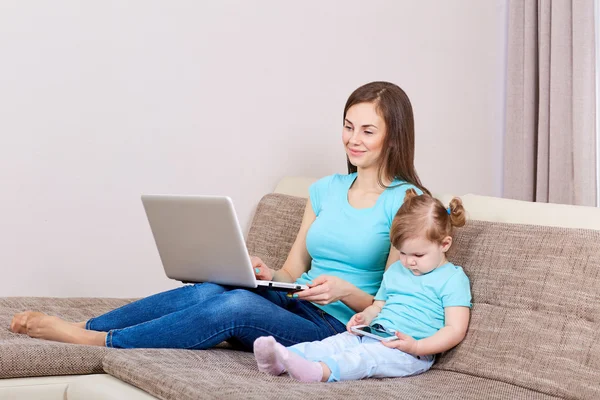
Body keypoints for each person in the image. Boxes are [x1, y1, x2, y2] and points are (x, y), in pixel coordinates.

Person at [10, 81, 429, 350]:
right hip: (293, 300)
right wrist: (266, 271)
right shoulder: (324, 190)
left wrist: (343, 290)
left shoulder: (407, 201)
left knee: (236, 306)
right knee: (215, 286)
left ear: (394, 134)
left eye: (367, 131)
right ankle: (86, 323)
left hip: (338, 327)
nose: (353, 140)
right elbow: (292, 268)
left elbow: (390, 303)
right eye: (348, 126)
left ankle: (99, 340)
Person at [253, 189, 471, 382]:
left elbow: (455, 329)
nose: (408, 261)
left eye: (418, 254)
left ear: (444, 244)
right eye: (402, 253)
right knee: (334, 343)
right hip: (374, 333)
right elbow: (378, 306)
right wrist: (365, 317)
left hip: (409, 353)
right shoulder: (396, 270)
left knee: (364, 359)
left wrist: (417, 346)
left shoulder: (453, 279)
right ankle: (280, 359)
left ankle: (319, 371)